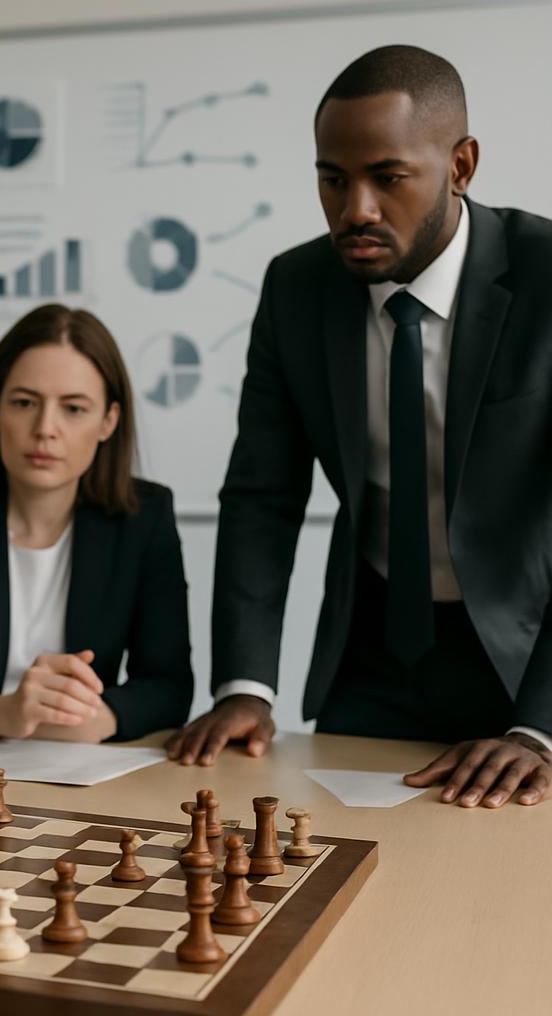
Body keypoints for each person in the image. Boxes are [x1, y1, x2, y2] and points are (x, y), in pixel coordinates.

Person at [167, 45, 552, 809]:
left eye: (387, 177)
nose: (356, 211)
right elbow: (262, 496)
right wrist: (246, 684)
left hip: (527, 654)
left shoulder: (546, 279)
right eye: (332, 180)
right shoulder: (297, 288)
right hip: (374, 649)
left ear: (461, 166)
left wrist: (541, 728)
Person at [0, 304, 193, 744]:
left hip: (86, 764)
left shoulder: (145, 517)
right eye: (24, 403)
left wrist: (102, 719)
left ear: (108, 421)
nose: (45, 429)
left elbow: (169, 685)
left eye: (74, 409)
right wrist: (0, 712)